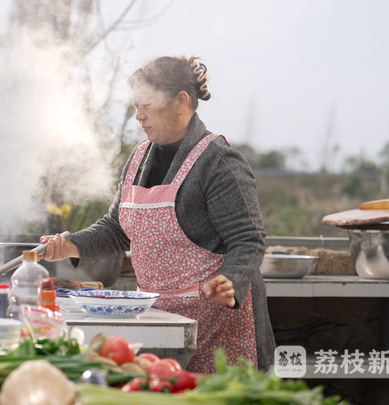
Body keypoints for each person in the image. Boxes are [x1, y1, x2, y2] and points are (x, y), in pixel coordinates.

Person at [41, 55, 275, 373]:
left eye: (147, 105)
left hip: (216, 320)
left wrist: (230, 281)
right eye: (136, 106)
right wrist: (71, 245)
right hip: (158, 316)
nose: (139, 116)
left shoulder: (218, 161)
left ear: (181, 101)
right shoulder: (139, 157)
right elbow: (117, 228)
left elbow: (249, 239)